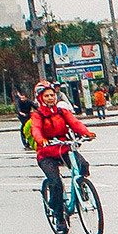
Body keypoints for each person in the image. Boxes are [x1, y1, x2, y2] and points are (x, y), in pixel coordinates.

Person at [29, 81, 94, 224]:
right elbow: (36, 129)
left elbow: (75, 123)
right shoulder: (37, 115)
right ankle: (59, 216)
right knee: (55, 183)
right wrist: (41, 140)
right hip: (46, 153)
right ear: (41, 98)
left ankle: (81, 187)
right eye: (46, 96)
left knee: (82, 164)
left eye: (52, 95)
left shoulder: (62, 112)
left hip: (63, 148)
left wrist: (86, 133)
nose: (50, 98)